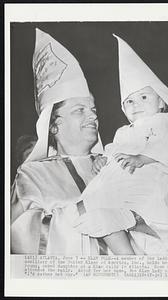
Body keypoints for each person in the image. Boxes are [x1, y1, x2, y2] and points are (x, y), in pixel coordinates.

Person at [74, 35, 168, 255]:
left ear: (161, 101)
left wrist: (141, 158)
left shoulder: (164, 122)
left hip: (151, 182)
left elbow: (167, 149)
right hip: (123, 183)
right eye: (129, 101)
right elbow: (114, 149)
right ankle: (127, 246)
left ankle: (134, 221)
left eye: (144, 97)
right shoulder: (124, 131)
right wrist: (103, 161)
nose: (136, 105)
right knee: (93, 204)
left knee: (102, 201)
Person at [11, 28, 105, 255]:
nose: (92, 116)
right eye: (79, 110)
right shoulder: (31, 175)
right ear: (53, 126)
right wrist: (84, 211)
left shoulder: (112, 164)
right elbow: (17, 235)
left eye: (92, 109)